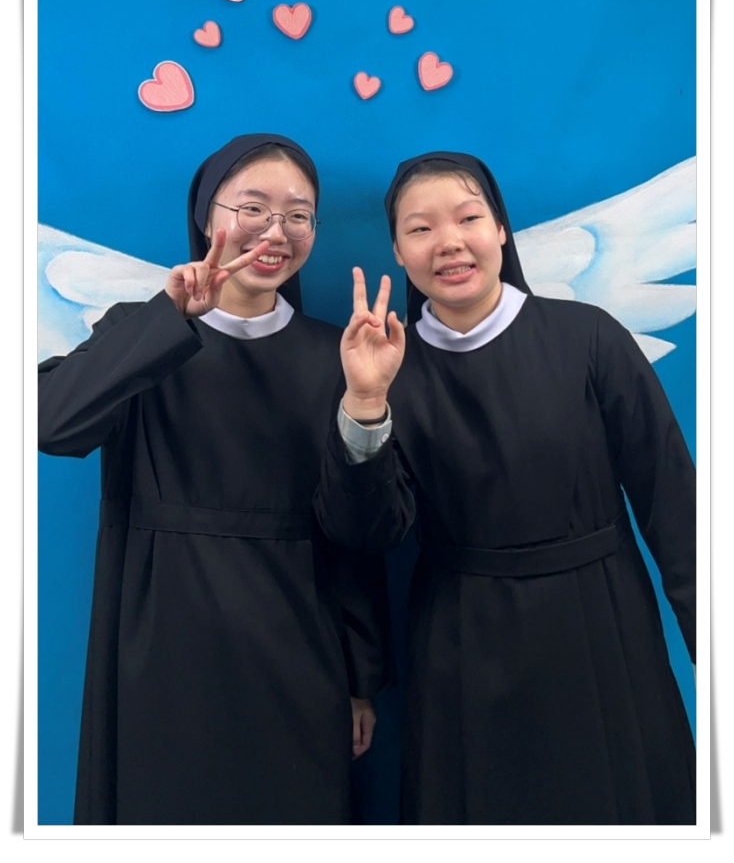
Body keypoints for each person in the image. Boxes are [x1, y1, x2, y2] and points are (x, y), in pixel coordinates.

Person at [314, 150, 696, 825]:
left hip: (598, 624)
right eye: (421, 228)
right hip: (461, 639)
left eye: (468, 218)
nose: (449, 242)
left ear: (500, 230)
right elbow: (367, 533)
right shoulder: (386, 369)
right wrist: (366, 405)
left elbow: (675, 508)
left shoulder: (590, 339)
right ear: (398, 252)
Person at [38, 133, 391, 825]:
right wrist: (167, 317)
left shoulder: (341, 355)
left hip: (298, 648)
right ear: (207, 218)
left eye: (298, 215)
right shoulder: (142, 333)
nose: (275, 232)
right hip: (163, 641)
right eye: (252, 208)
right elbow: (50, 424)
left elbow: (355, 538)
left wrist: (360, 677)